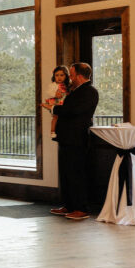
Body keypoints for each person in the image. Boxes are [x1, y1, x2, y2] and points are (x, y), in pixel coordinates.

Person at [43, 62, 99, 221]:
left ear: (80, 76)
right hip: (67, 137)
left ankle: (81, 208)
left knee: (76, 173)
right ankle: (69, 204)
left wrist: (53, 108)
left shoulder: (89, 91)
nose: (70, 78)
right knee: (66, 173)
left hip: (77, 138)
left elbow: (73, 111)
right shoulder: (76, 90)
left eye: (72, 75)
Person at [45, 66, 71, 139]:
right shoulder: (53, 85)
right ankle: (52, 131)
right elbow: (48, 93)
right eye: (57, 75)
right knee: (55, 117)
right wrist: (54, 94)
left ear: (66, 76)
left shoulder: (68, 85)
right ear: (54, 76)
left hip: (64, 103)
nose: (59, 77)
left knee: (64, 117)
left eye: (62, 75)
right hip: (56, 102)